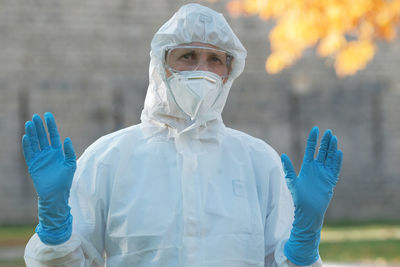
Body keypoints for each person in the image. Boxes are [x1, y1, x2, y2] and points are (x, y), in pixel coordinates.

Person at [22, 3, 342, 267]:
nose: (201, 69)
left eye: (214, 59)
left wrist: (303, 241)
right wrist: (54, 229)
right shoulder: (109, 159)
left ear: (228, 72)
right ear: (162, 65)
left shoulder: (259, 163)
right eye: (187, 55)